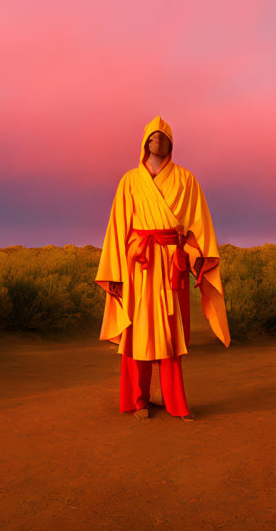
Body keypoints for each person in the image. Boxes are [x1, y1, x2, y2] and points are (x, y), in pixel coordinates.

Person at [95, 115, 230, 421]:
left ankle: (175, 403)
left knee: (171, 335)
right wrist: (115, 273)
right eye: (152, 136)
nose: (158, 139)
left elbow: (200, 225)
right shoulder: (129, 181)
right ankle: (138, 401)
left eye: (163, 136)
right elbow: (117, 228)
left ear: (171, 144)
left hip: (172, 264)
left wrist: (197, 258)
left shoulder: (186, 180)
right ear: (145, 143)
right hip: (139, 267)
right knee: (137, 334)